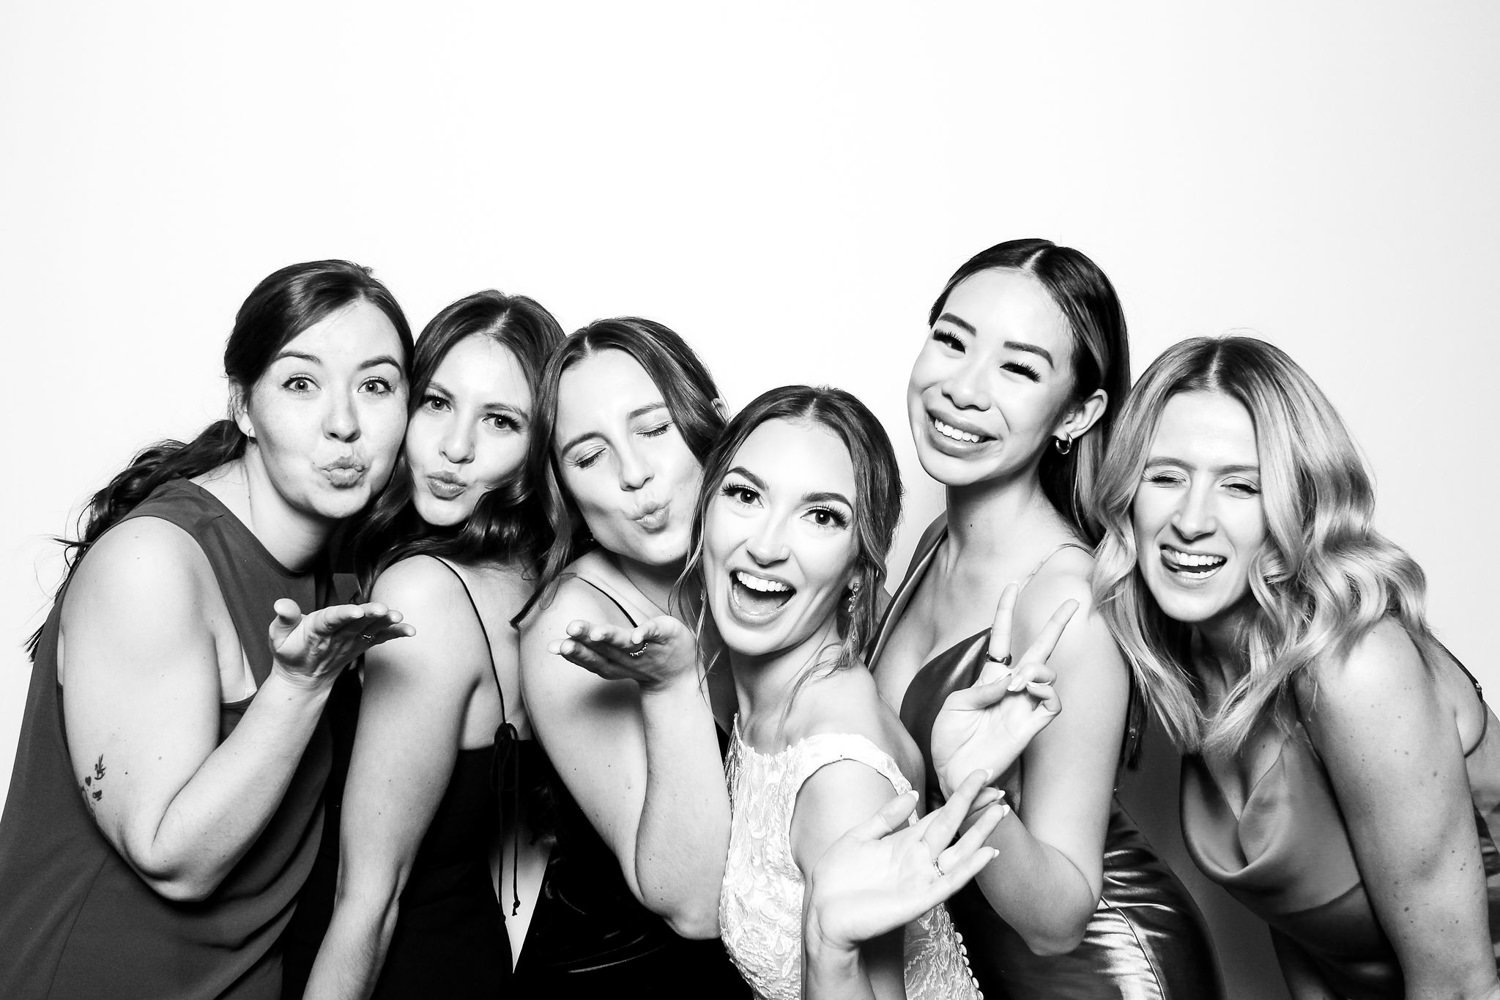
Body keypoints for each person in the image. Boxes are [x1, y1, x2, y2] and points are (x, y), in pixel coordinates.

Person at [0, 260, 414, 1000]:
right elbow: (173, 859)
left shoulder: (344, 568)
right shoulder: (153, 562)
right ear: (244, 406)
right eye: (300, 383)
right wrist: (299, 686)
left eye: (376, 385)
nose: (345, 422)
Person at [1092, 335, 1500, 1000]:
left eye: (1240, 485)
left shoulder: (1355, 666)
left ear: (1297, 503)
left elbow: (1459, 984)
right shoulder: (1194, 660)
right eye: (1165, 476)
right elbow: (1311, 937)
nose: (1191, 520)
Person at [866, 238, 1221, 998]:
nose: (962, 388)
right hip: (976, 968)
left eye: (1018, 368)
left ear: (1079, 411)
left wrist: (973, 796)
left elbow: (1059, 920)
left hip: (1098, 976)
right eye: (952, 341)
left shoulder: (1069, 602)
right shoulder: (934, 544)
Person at [694, 384, 1011, 998]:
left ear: (858, 569)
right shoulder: (764, 692)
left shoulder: (840, 774)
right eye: (745, 494)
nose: (765, 545)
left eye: (821, 516)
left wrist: (828, 949)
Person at [292, 291, 563, 999]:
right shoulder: (535, 583)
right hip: (464, 960)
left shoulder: (422, 594)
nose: (454, 447)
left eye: (499, 421)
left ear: (541, 450)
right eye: (437, 404)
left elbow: (368, 901)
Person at [515, 317, 748, 994]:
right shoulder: (571, 626)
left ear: (706, 422)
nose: (635, 474)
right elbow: (696, 904)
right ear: (565, 491)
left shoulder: (756, 575)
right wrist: (669, 687)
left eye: (652, 429)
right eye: (590, 456)